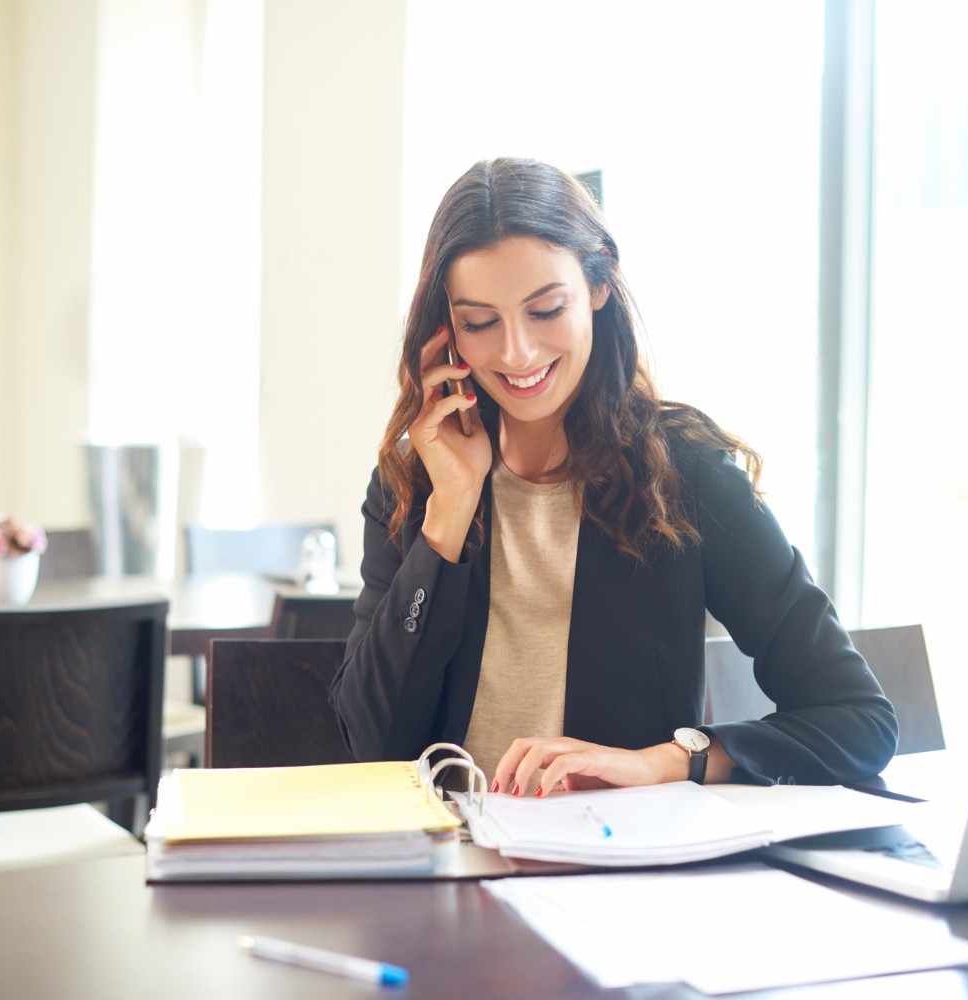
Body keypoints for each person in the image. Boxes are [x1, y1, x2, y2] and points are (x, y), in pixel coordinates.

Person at [329, 157, 896, 797]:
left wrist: (669, 760)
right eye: (480, 323)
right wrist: (449, 513)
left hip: (617, 871)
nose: (516, 352)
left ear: (599, 283)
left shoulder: (686, 476)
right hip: (447, 868)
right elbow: (373, 743)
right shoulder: (417, 484)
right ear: (447, 333)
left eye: (545, 310)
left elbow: (858, 720)